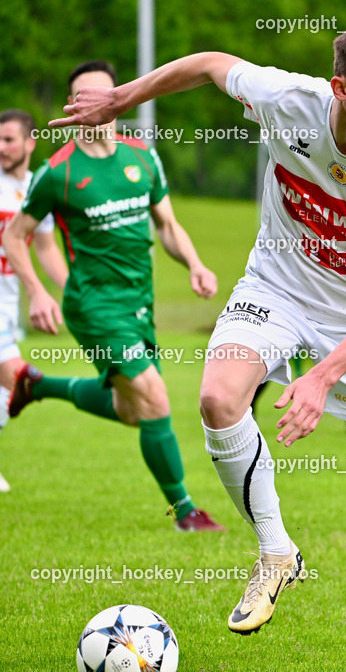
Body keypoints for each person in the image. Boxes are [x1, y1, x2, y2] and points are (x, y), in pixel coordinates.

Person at [48, 15, 346, 666]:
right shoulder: (288, 99)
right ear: (341, 88)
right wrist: (120, 98)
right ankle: (276, 552)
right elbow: (210, 62)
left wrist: (322, 375)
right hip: (275, 286)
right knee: (219, 398)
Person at [5, 61, 224, 532]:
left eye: (107, 95)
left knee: (132, 412)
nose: (97, 105)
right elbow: (13, 236)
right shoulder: (57, 174)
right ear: (73, 106)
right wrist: (39, 292)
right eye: (85, 97)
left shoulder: (142, 157)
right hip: (94, 308)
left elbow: (166, 224)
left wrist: (196, 264)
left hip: (138, 305)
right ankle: (186, 513)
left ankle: (37, 385)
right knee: (155, 399)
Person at [0, 109, 69, 493]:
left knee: (8, 390)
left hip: (9, 307)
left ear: (30, 143)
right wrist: (37, 292)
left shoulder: (37, 187)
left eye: (9, 139)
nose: (2, 147)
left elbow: (45, 248)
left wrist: (75, 292)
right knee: (21, 378)